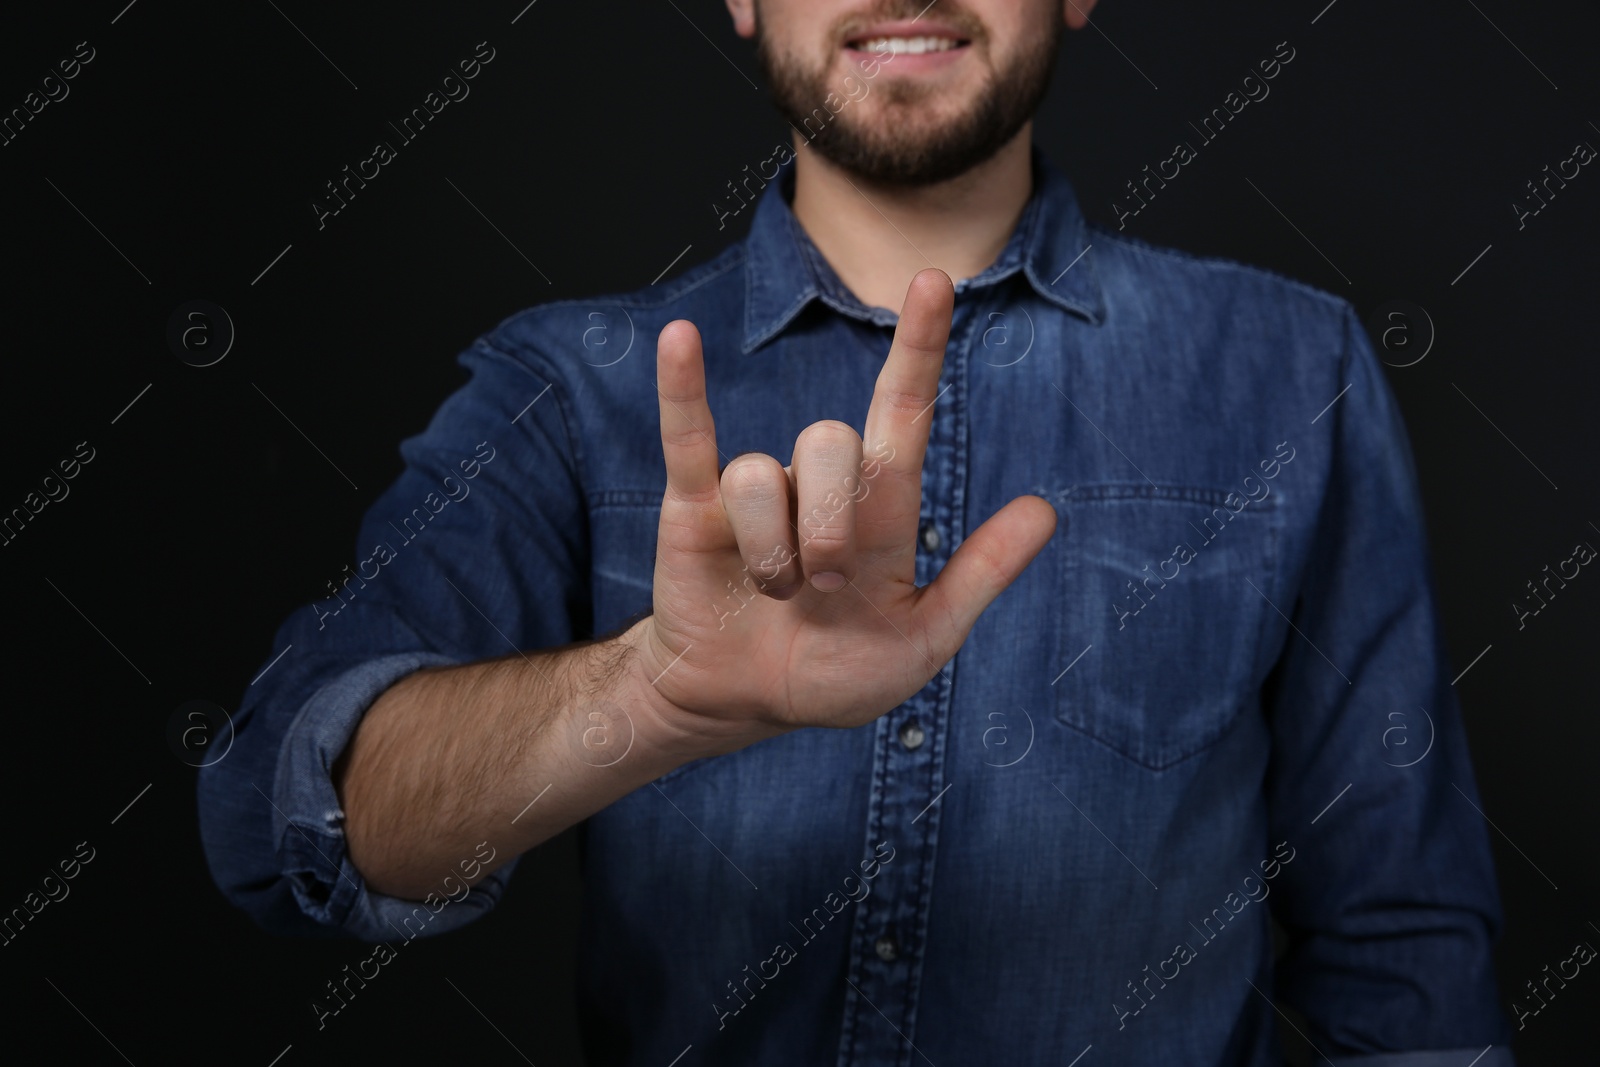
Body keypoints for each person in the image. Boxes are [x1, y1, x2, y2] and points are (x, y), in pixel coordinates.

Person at [200, 0, 1515, 1062]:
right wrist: (640, 700)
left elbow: (1404, 950)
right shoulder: (567, 389)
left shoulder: (1291, 370)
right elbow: (285, 822)